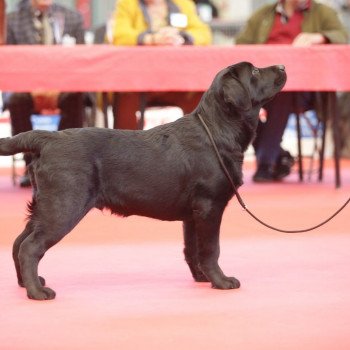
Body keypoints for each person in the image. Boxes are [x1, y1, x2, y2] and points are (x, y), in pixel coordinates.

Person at [235, 0, 348, 183]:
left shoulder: (323, 12)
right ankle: (278, 156)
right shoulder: (263, 14)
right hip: (260, 85)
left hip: (305, 88)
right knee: (234, 99)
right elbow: (241, 44)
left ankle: (266, 163)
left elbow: (342, 36)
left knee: (284, 89)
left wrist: (319, 37)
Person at [3, 0, 87, 187]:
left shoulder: (73, 18)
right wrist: (34, 86)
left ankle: (67, 166)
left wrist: (58, 86)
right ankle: (31, 167)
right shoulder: (11, 20)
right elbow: (9, 64)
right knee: (16, 99)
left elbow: (82, 61)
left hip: (64, 86)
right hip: (26, 86)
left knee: (76, 96)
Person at [110, 0, 212, 130]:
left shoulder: (183, 4)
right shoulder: (127, 4)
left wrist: (181, 37)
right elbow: (119, 35)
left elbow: (203, 33)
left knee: (201, 92)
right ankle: (124, 147)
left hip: (178, 80)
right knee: (123, 96)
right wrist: (151, 39)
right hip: (138, 81)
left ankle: (198, 144)